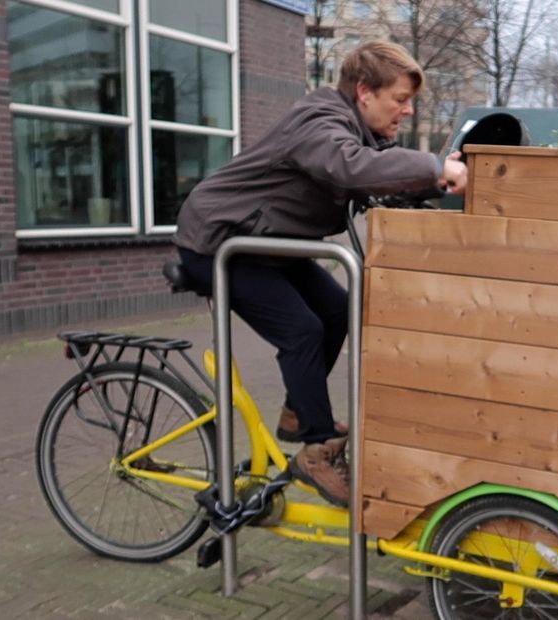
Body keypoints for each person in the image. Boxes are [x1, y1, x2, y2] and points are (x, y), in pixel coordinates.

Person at [173, 41, 467, 507]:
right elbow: (349, 168)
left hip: (267, 243)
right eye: (400, 100)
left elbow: (375, 174)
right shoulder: (319, 120)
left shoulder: (359, 131)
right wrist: (434, 168)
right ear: (365, 92)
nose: (407, 111)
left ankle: (296, 413)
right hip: (219, 242)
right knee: (303, 331)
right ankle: (315, 449)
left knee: (339, 310)